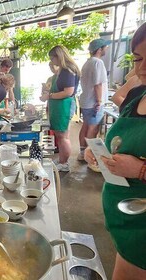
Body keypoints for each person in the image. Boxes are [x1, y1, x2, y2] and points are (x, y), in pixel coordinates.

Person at [84, 22, 146, 280]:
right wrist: (99, 152)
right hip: (123, 224)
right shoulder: (137, 95)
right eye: (138, 59)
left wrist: (140, 169)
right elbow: (120, 141)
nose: (141, 68)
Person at [40, 45, 80, 172]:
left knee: (63, 137)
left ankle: (64, 163)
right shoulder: (61, 71)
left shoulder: (68, 71)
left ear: (59, 56)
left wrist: (49, 96)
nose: (52, 61)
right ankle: (62, 159)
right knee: (60, 136)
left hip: (63, 106)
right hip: (58, 106)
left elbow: (68, 92)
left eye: (52, 58)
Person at [78, 39, 111, 172]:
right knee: (93, 129)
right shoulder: (98, 63)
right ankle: (90, 157)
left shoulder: (87, 63)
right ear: (99, 50)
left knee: (85, 126)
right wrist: (99, 101)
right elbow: (98, 84)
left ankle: (82, 153)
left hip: (86, 101)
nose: (106, 49)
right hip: (93, 102)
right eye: (105, 47)